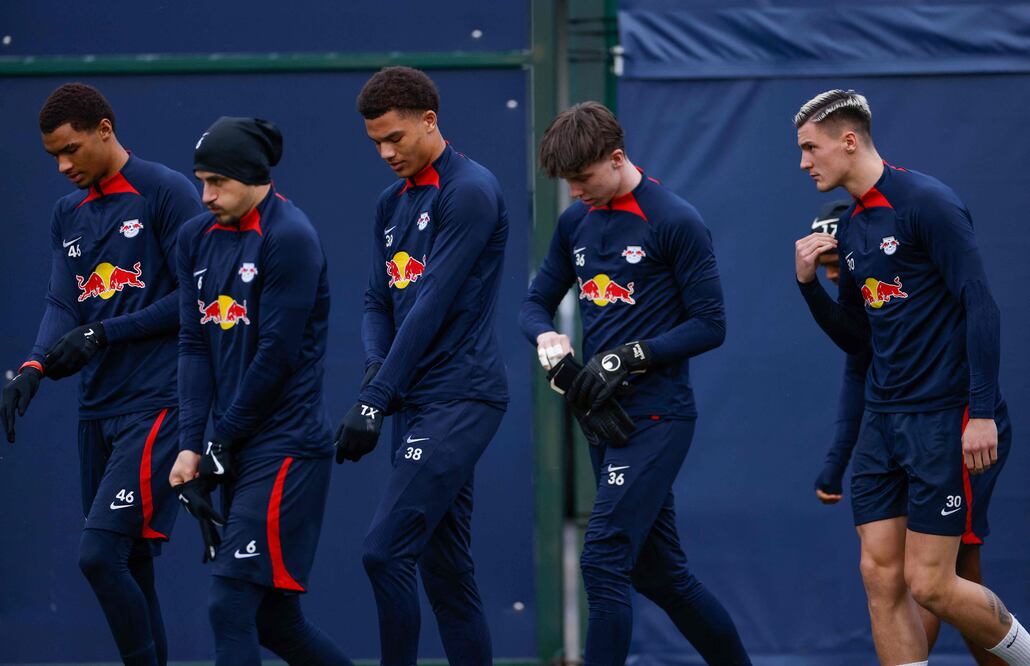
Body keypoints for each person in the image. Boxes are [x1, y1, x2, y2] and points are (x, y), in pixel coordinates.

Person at [794, 88, 1028, 665]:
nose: (804, 163)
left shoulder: (927, 202)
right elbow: (858, 340)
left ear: (849, 141)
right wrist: (808, 289)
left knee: (932, 584)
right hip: (884, 423)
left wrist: (979, 413)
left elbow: (982, 305)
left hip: (945, 420)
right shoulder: (850, 230)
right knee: (881, 579)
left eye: (810, 148)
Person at [519, 101, 751, 666]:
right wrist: (548, 339)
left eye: (583, 178)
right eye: (568, 182)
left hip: (658, 417)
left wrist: (631, 356)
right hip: (602, 419)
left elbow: (710, 325)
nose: (575, 192)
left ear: (617, 158)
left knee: (602, 557)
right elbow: (534, 302)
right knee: (662, 576)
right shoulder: (577, 221)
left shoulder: (674, 220)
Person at [0, 82, 201, 665]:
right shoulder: (68, 213)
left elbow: (196, 295)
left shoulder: (164, 191)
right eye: (52, 156)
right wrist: (33, 367)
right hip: (98, 408)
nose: (62, 166)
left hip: (156, 404)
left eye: (71, 149)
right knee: (130, 563)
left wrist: (104, 331)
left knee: (98, 555)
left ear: (105, 130)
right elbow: (63, 303)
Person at [335, 66, 509, 665]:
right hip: (414, 400)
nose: (386, 152)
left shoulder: (470, 189)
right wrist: (376, 372)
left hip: (461, 397)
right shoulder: (391, 203)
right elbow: (376, 300)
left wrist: (375, 397)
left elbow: (432, 301)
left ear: (429, 121)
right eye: (375, 143)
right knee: (446, 570)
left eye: (396, 138)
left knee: (384, 552)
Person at [168, 116, 351, 665]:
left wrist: (222, 440)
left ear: (252, 175)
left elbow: (277, 354)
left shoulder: (289, 236)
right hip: (237, 447)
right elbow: (193, 344)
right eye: (200, 180)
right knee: (275, 622)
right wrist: (191, 443)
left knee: (230, 604)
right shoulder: (193, 239)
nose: (205, 195)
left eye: (217, 182)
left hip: (286, 448)